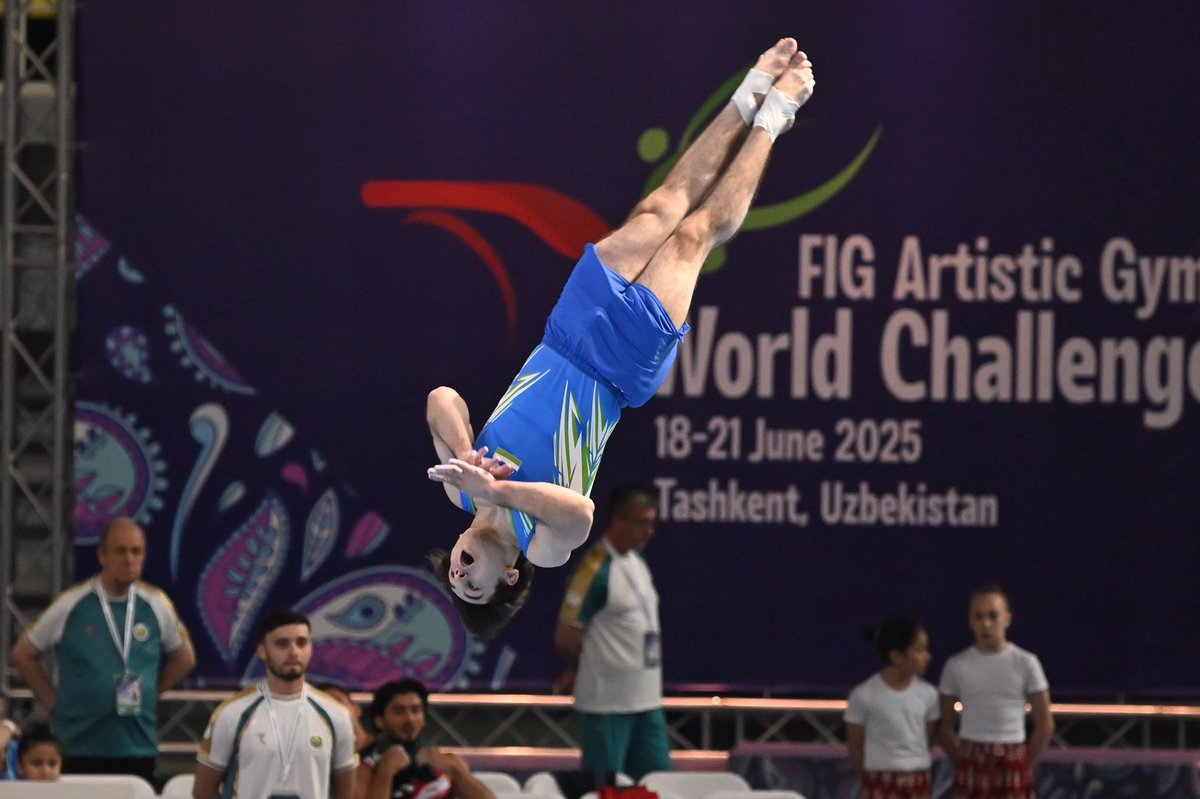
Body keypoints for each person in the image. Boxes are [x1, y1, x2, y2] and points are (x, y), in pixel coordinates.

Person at [426, 37, 817, 638]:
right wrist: (497, 494)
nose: (460, 572)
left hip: (564, 335)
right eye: (471, 584)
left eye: (454, 576)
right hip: (618, 371)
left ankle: (747, 95)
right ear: (508, 577)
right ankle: (777, 114)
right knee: (693, 236)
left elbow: (442, 397)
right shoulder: (543, 547)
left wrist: (460, 455)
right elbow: (580, 513)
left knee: (656, 210)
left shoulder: (461, 490)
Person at [10, 516, 196, 784]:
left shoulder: (156, 603)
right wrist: (53, 702)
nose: (129, 559)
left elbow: (185, 657)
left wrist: (150, 692)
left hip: (136, 744)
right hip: (78, 743)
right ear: (102, 555)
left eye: (136, 551)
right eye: (120, 551)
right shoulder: (72, 603)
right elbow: (23, 653)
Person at [553, 482, 669, 780]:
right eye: (643, 522)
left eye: (652, 522)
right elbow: (566, 637)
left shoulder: (637, 562)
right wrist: (578, 668)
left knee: (662, 785)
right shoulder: (594, 570)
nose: (650, 531)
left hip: (647, 702)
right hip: (607, 705)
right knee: (605, 789)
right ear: (618, 521)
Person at [194, 609, 358, 799]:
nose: (294, 651)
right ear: (262, 651)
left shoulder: (336, 714)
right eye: (282, 644)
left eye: (301, 642)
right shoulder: (232, 713)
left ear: (311, 648)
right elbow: (203, 791)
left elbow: (346, 792)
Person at [937, 585, 1054, 799]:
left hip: (1013, 755)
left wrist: (1022, 763)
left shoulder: (1026, 663)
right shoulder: (956, 665)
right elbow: (944, 728)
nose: (986, 624)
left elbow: (1045, 725)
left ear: (1007, 619)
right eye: (978, 617)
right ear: (970, 622)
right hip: (971, 754)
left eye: (993, 616)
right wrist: (963, 760)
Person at [844, 617, 940, 799]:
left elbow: (929, 736)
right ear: (896, 656)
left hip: (918, 777)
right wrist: (870, 779)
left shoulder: (929, 695)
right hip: (879, 778)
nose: (927, 656)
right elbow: (855, 746)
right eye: (920, 650)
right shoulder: (864, 695)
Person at [356, 678, 494, 799]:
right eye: (399, 711)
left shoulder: (448, 762)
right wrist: (385, 772)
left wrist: (455, 771)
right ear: (379, 720)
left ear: (423, 718)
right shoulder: (364, 767)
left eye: (415, 710)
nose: (409, 719)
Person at [317, 681, 377, 752]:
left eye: (338, 702)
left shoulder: (386, 749)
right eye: (324, 708)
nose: (333, 710)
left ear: (357, 710)